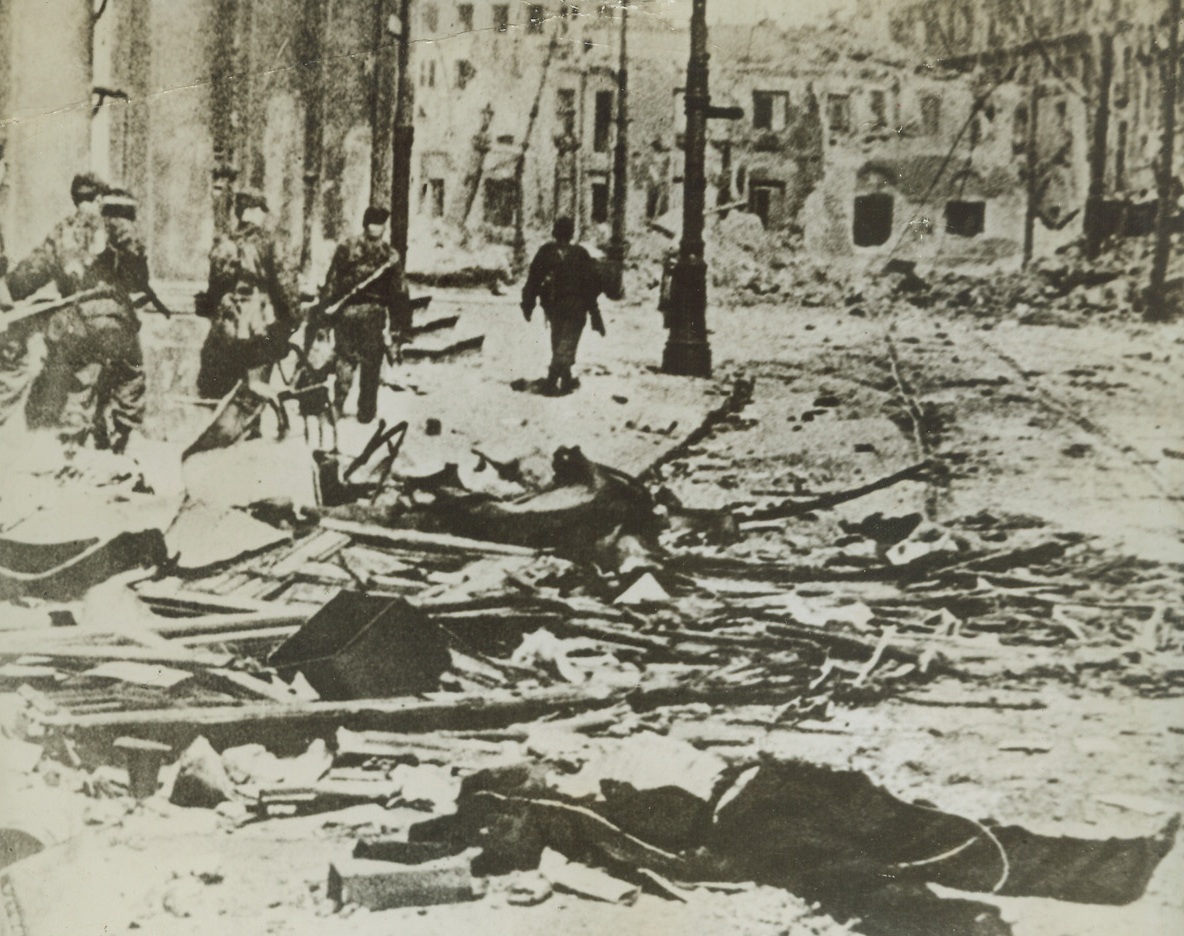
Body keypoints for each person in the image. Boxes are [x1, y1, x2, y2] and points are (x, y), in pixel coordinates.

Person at [3, 173, 147, 450]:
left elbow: (31, 273)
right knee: (131, 374)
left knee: (80, 377)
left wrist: (6, 293)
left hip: (77, 321)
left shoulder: (61, 232)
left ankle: (73, 442)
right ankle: (120, 440)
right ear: (99, 198)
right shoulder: (117, 226)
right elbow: (137, 271)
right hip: (115, 320)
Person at [197, 188, 299, 400]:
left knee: (226, 381)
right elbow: (284, 283)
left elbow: (213, 288)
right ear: (252, 211)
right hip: (257, 321)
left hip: (226, 321)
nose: (263, 215)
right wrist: (292, 317)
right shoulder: (268, 242)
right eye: (261, 210)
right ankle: (251, 428)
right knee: (256, 381)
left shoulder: (224, 243)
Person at [310, 205, 400, 423]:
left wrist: (324, 318)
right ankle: (366, 412)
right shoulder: (390, 255)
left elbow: (331, 284)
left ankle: (338, 405)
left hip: (347, 313)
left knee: (345, 358)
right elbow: (399, 292)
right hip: (374, 314)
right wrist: (398, 326)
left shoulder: (347, 247)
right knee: (371, 362)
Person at [520, 216, 605, 395]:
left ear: (554, 232)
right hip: (576, 307)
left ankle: (564, 380)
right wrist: (594, 313)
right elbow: (590, 285)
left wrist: (528, 304)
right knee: (566, 344)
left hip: (554, 307)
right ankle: (553, 381)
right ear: (572, 234)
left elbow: (533, 280)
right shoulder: (580, 253)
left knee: (559, 342)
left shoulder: (546, 252)